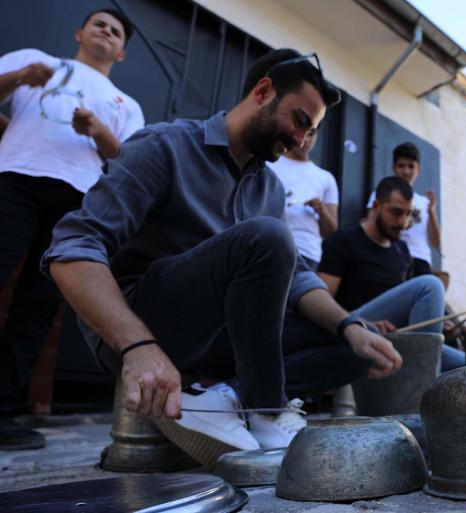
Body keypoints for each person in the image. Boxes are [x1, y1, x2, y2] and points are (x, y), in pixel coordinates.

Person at [41, 49, 402, 469]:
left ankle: (223, 399)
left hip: (222, 336)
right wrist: (138, 346)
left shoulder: (268, 188)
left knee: (358, 347)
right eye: (301, 121)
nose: (302, 141)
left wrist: (351, 327)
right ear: (263, 91)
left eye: (311, 131)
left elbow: (299, 278)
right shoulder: (166, 145)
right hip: (144, 322)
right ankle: (265, 410)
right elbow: (72, 247)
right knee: (267, 236)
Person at [0, 8, 144, 451]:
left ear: (121, 53)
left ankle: (2, 411)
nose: (106, 31)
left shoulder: (126, 104)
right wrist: (21, 77)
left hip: (80, 202)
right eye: (99, 24)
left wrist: (100, 132)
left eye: (116, 31)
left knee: (38, 305)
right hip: (16, 179)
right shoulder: (36, 60)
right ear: (80, 32)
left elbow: (131, 162)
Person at [320, 176, 465, 373]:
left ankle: (419, 379)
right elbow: (322, 303)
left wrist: (439, 324)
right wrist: (364, 324)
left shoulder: (402, 251)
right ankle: (418, 389)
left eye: (408, 215)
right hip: (354, 331)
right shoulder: (344, 240)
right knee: (430, 285)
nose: (402, 222)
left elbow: (403, 309)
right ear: (376, 205)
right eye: (396, 213)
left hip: (395, 337)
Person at [267, 129, 338, 271]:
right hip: (268, 246)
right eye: (304, 132)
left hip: (307, 254)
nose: (307, 139)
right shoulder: (269, 165)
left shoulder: (326, 177)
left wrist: (321, 209)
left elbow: (331, 230)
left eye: (312, 134)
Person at [367, 142, 440, 276]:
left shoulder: (425, 203)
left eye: (411, 166)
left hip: (420, 260)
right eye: (401, 166)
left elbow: (436, 243)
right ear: (394, 168)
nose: (406, 171)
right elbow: (369, 224)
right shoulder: (381, 193)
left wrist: (431, 212)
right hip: (391, 254)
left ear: (418, 170)